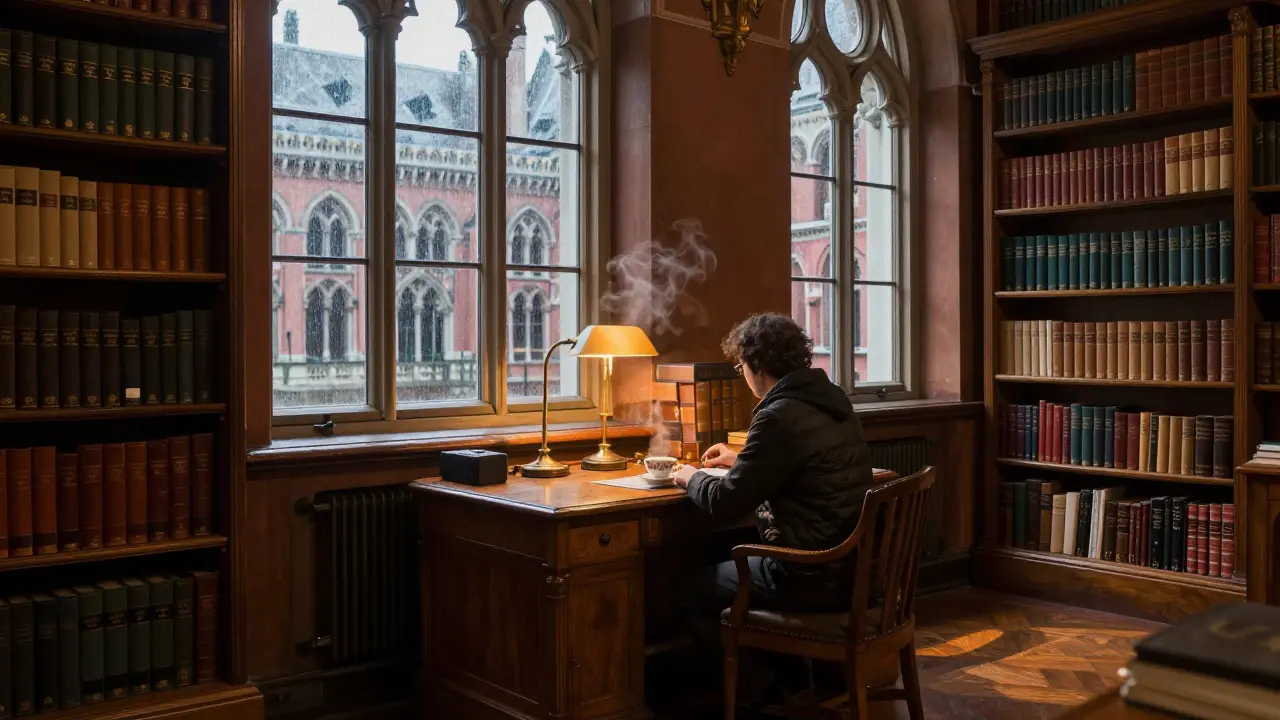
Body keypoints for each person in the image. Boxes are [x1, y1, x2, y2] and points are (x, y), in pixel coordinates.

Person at [671, 312, 875, 706]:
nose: (741, 373)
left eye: (741, 365)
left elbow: (727, 502)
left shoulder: (777, 414)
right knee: (719, 559)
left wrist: (688, 476)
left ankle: (758, 696)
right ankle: (789, 685)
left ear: (756, 365)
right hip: (854, 571)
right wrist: (742, 459)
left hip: (809, 576)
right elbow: (800, 462)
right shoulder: (831, 401)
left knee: (686, 591)